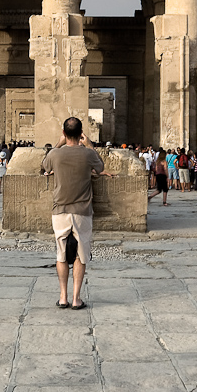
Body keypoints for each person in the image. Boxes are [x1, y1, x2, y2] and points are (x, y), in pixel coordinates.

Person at [42, 117, 111, 309]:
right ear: (81, 133)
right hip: (82, 210)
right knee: (81, 255)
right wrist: (89, 145)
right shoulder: (88, 154)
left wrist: (58, 143)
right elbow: (100, 167)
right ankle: (76, 298)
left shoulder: (55, 154)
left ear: (64, 133)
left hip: (60, 209)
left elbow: (44, 166)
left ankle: (63, 297)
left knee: (61, 254)